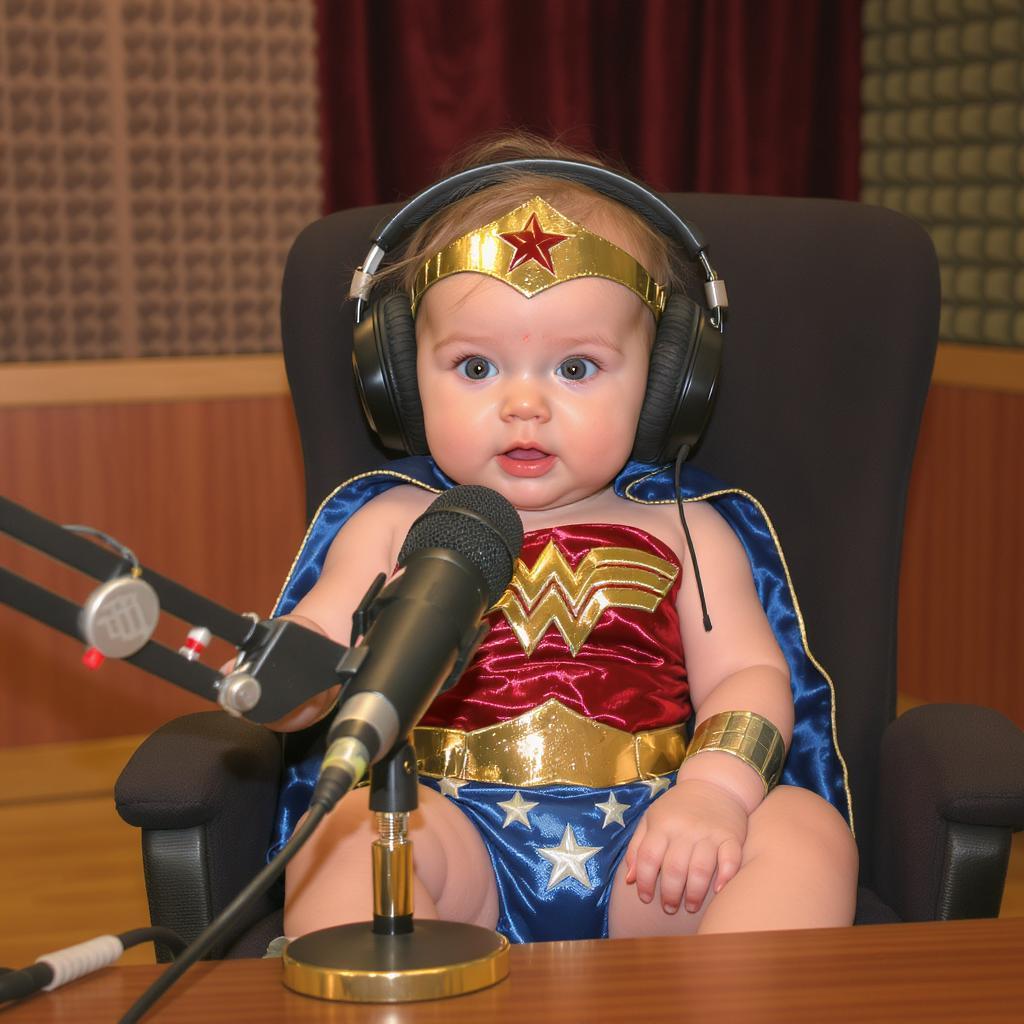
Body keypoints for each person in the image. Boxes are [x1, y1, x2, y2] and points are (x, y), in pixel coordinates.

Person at [271, 135, 858, 943]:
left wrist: (714, 795)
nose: (524, 406)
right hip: (451, 836)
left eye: (576, 370)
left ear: (665, 386)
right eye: (475, 368)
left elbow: (750, 676)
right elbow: (322, 644)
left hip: (656, 855)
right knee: (344, 835)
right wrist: (286, 682)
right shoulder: (392, 524)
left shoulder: (688, 531)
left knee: (804, 830)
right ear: (401, 380)